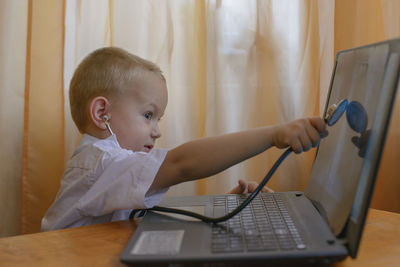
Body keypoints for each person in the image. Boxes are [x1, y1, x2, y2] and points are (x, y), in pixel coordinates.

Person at [41, 47, 328, 231]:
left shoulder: (117, 170)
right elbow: (182, 164)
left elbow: (143, 225)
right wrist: (274, 134)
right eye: (148, 115)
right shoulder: (100, 163)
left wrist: (227, 205)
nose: (157, 131)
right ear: (102, 112)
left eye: (158, 119)